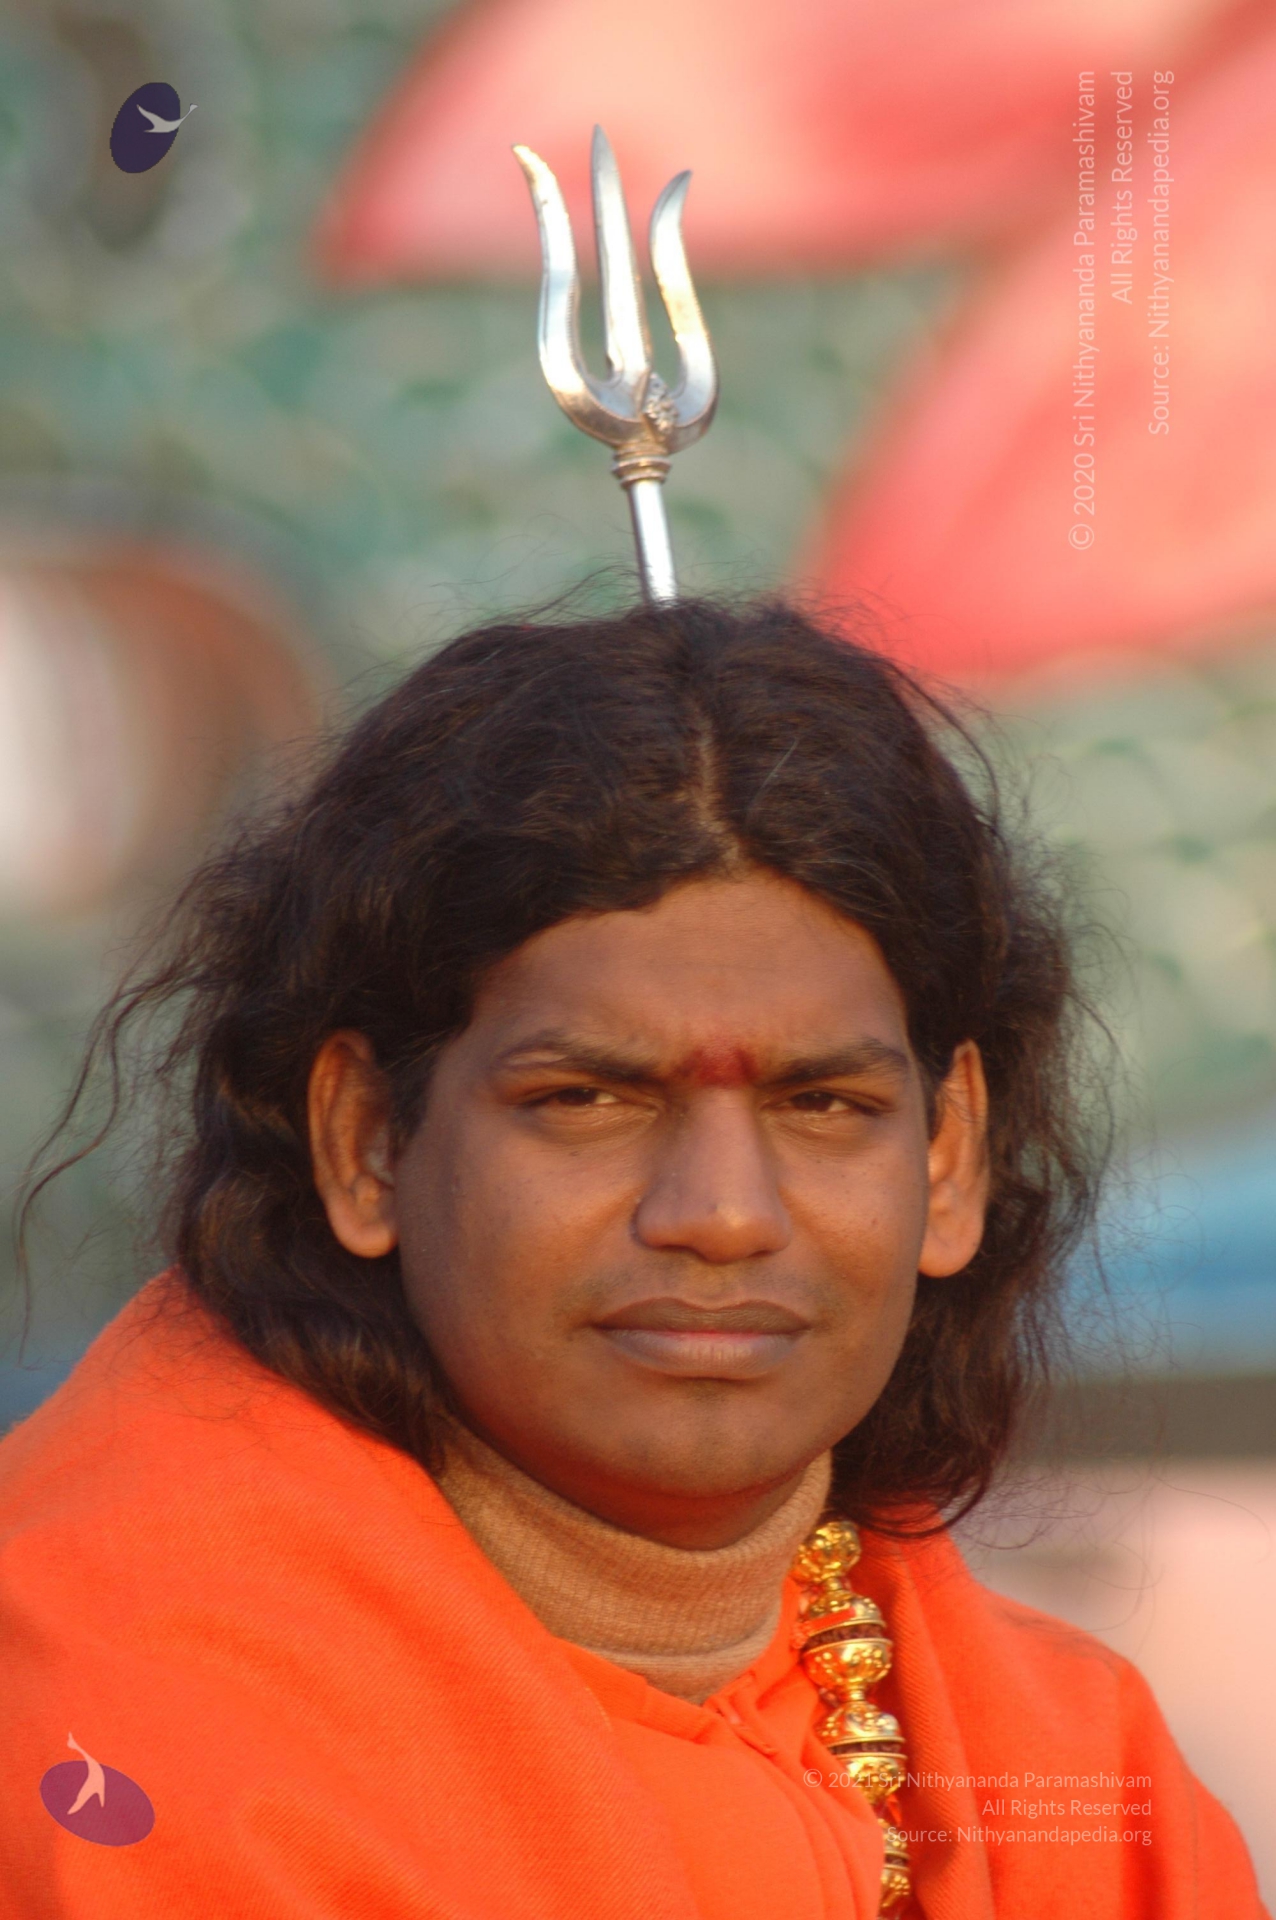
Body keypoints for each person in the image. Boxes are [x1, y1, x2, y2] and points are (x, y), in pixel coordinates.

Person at [0, 597, 1264, 1919]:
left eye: (822, 1104)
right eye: (588, 1099)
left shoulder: (1071, 1762)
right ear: (365, 1140)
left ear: (948, 1161)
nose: (721, 1215)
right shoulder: (128, 1726)